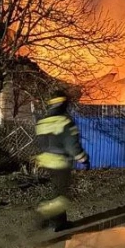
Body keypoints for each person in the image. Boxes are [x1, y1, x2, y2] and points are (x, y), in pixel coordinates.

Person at [34, 91, 89, 231]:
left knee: (57, 192)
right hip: (60, 162)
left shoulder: (42, 121)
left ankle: (60, 223)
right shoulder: (64, 121)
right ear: (63, 104)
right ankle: (43, 212)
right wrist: (82, 158)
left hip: (45, 162)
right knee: (63, 196)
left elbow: (39, 143)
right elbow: (72, 145)